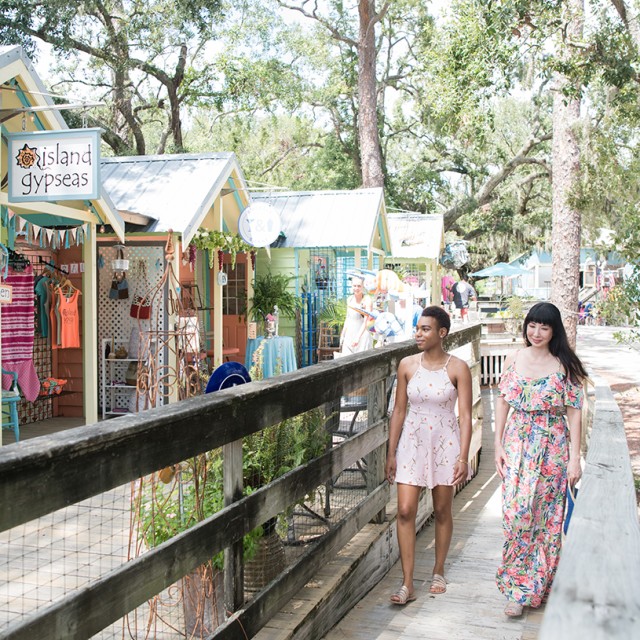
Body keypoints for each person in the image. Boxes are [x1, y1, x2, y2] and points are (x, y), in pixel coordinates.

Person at [494, 302, 587, 618]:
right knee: (516, 515)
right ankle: (524, 582)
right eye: (532, 325)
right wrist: (497, 445)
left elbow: (574, 412)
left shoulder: (565, 365)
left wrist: (575, 459)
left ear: (554, 330)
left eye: (544, 327)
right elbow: (504, 401)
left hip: (551, 448)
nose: (536, 332)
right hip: (517, 444)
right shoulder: (514, 358)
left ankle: (524, 591)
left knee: (545, 521)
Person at [385, 306, 473, 605]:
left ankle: (438, 570)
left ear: (442, 333)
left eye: (425, 329)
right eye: (417, 328)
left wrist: (463, 457)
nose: (418, 334)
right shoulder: (407, 365)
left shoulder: (458, 367)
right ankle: (407, 583)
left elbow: (465, 416)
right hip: (412, 441)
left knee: (442, 509)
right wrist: (391, 451)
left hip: (445, 443)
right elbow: (398, 411)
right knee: (406, 510)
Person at [339, 276, 373, 354]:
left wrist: (358, 337)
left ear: (363, 286)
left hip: (362, 336)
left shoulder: (367, 300)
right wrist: (343, 334)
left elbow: (366, 321)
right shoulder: (349, 299)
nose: (356, 288)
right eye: (354, 286)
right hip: (350, 335)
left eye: (359, 286)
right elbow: (348, 318)